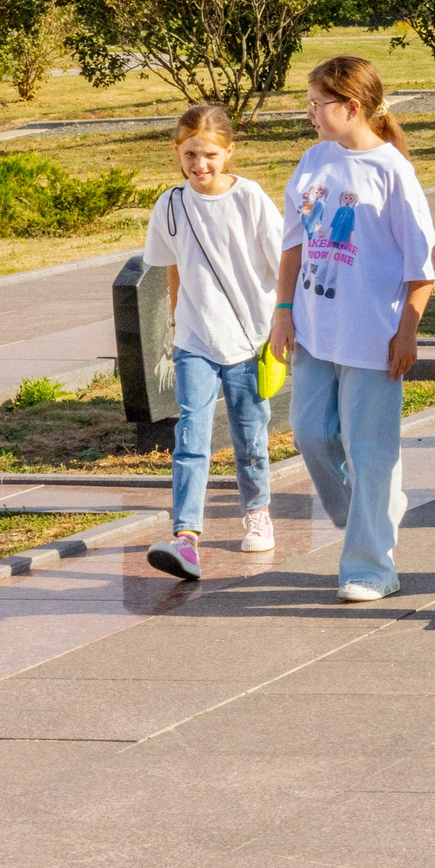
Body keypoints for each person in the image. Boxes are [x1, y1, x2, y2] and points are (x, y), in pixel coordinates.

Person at [273, 57, 435, 604]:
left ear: (351, 106)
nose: (310, 115)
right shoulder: (314, 160)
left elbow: (421, 267)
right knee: (310, 434)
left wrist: (407, 332)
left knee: (370, 453)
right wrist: (282, 310)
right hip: (316, 332)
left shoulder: (393, 172)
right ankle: (376, 510)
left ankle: (370, 566)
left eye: (317, 105)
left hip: (372, 337)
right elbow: (294, 243)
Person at [142, 104, 282, 582]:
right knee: (191, 436)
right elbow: (173, 268)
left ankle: (257, 511)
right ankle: (186, 536)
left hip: (249, 340)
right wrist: (180, 328)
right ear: (176, 154)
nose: (199, 165)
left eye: (209, 155)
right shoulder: (170, 206)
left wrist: (287, 324)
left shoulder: (251, 199)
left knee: (250, 435)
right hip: (194, 340)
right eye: (189, 155)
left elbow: (283, 264)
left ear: (228, 153)